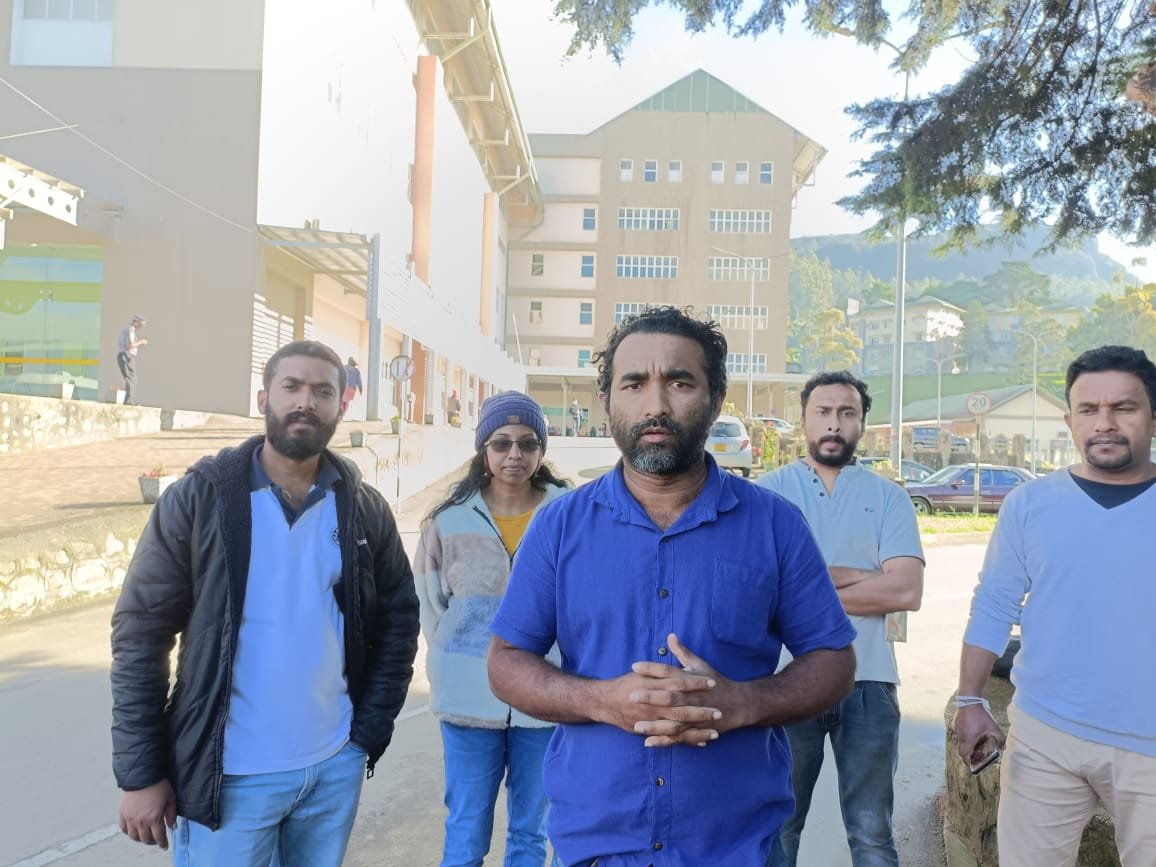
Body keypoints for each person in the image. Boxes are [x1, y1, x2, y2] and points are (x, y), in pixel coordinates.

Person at [486, 305, 858, 866]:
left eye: (680, 382)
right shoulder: (559, 526)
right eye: (634, 383)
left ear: (717, 398)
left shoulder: (775, 525)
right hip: (597, 848)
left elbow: (833, 660)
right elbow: (506, 661)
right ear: (607, 400)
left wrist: (743, 703)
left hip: (739, 850)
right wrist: (600, 701)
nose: (656, 405)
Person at [110, 339, 420, 866]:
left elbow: (399, 620)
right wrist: (140, 774)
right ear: (263, 398)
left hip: (332, 767)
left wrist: (366, 736)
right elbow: (141, 634)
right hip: (229, 776)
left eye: (323, 391)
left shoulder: (363, 508)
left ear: (341, 406)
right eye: (291, 386)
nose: (306, 402)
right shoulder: (199, 500)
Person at [953, 345, 1156, 866]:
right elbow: (994, 602)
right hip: (1045, 734)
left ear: (1153, 416)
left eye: (1123, 408)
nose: (1104, 423)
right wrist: (970, 700)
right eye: (1089, 409)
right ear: (1070, 421)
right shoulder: (1030, 504)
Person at [758, 371, 924, 867]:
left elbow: (905, 590)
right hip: (785, 681)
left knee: (872, 834)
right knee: (778, 830)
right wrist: (864, 576)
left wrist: (805, 585)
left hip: (869, 680)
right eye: (824, 412)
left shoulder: (889, 497)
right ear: (803, 420)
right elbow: (763, 593)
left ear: (862, 424)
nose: (834, 423)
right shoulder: (767, 496)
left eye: (847, 413)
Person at [416, 391, 572, 867]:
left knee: (530, 832)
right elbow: (431, 607)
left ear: (541, 451)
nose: (514, 454)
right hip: (466, 700)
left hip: (544, 697)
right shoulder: (448, 521)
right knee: (465, 834)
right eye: (501, 443)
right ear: (483, 450)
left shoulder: (570, 515)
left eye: (527, 443)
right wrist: (460, 659)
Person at [116, 314, 148, 405]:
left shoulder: (126, 330)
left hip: (124, 355)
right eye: (140, 325)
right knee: (132, 378)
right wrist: (141, 342)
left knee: (129, 378)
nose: (140, 327)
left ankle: (128, 401)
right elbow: (130, 345)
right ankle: (129, 401)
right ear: (136, 322)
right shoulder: (131, 330)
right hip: (127, 355)